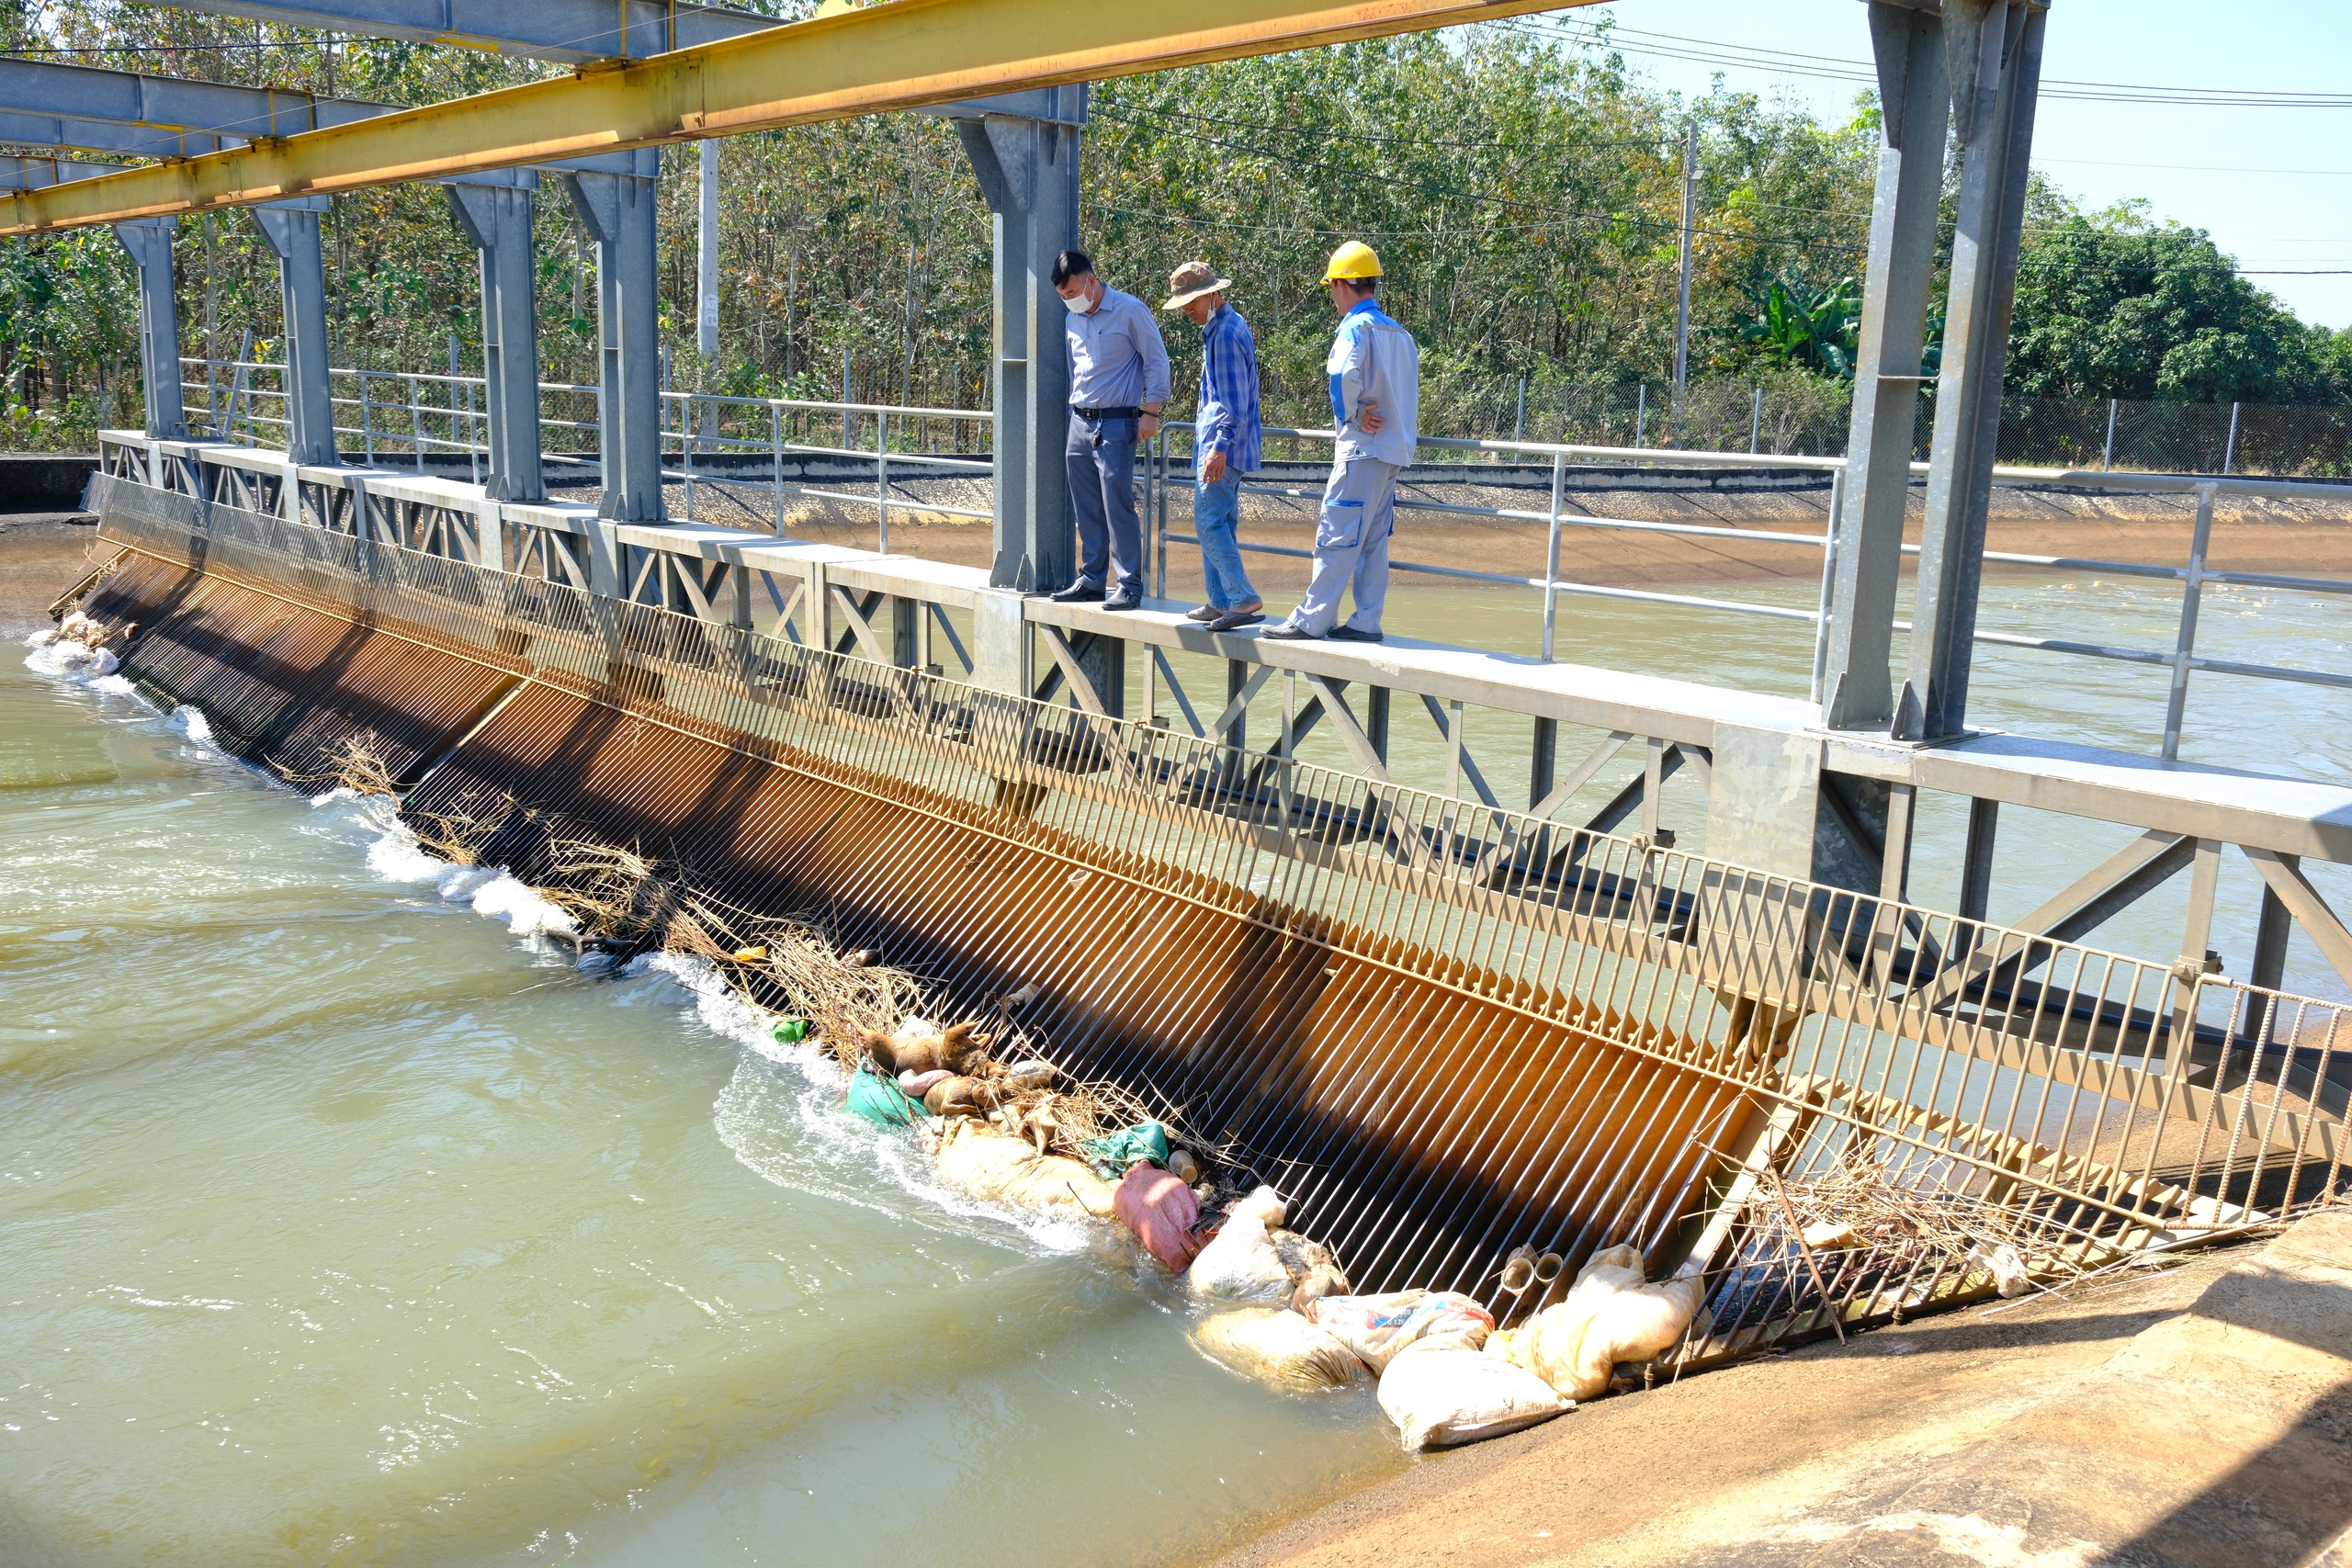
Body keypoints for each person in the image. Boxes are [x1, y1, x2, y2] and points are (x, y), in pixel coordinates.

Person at [1265, 241, 1418, 643]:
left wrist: (1352, 415)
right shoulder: (1400, 334)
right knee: (1372, 543)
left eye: (1331, 286)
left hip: (1361, 450)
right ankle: (1366, 621)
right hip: (1393, 453)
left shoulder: (1355, 327)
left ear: (1344, 284)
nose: (1331, 295)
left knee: (1337, 534)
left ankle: (1311, 620)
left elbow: (1341, 376)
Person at [1049, 249, 1170, 612]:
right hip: (1080, 421)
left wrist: (1151, 412)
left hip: (1117, 422)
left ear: (1090, 280)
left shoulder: (1130, 310)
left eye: (1071, 293)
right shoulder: (1072, 320)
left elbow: (1156, 360)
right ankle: (1091, 579)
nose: (1068, 301)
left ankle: (1129, 584)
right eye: (1062, 297)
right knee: (1085, 504)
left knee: (1117, 502)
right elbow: (1075, 370)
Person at [1161, 259, 1264, 633]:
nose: (1187, 310)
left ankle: (1241, 598)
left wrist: (1219, 447)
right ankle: (1221, 601)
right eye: (1184, 303)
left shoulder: (1223, 334)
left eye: (1192, 301)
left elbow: (1232, 401)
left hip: (1224, 448)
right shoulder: (1224, 327)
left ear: (1212, 294)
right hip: (1227, 445)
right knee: (1220, 522)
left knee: (1208, 521)